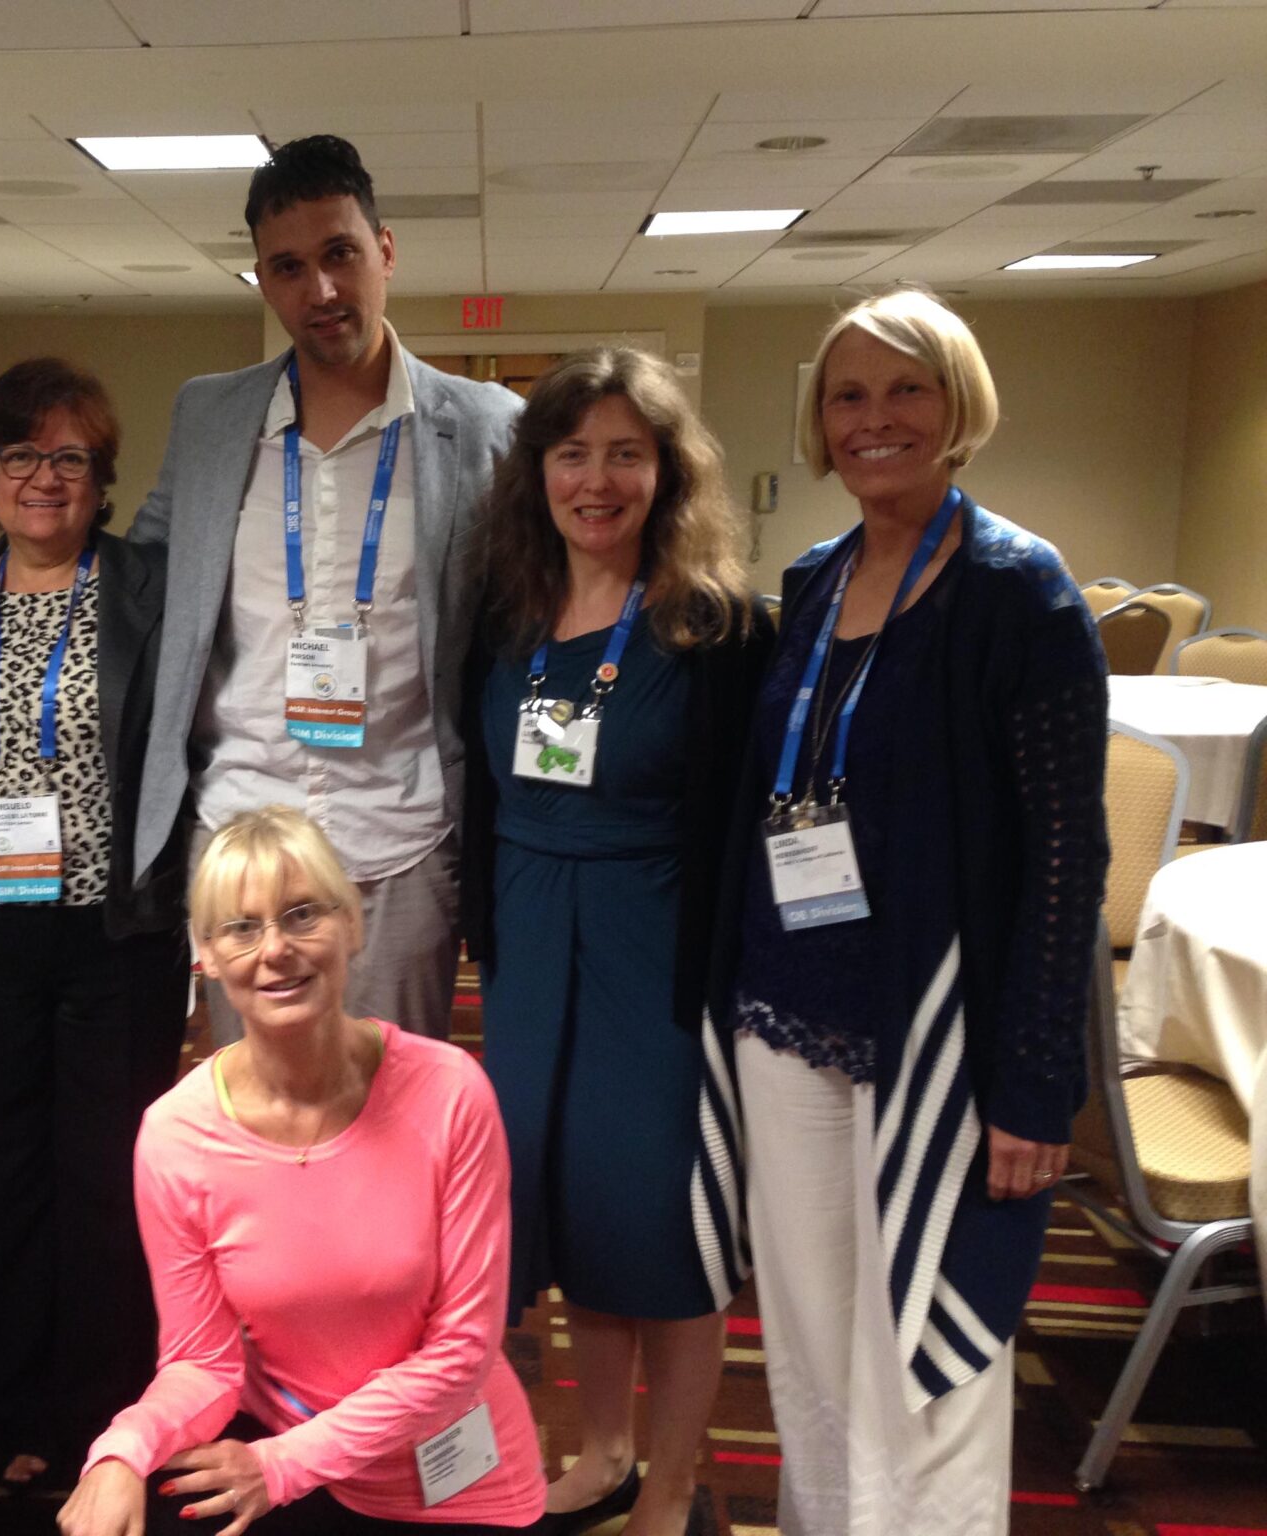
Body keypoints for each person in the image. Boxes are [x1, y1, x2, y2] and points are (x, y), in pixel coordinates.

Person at [717, 289, 1106, 1535]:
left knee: (925, 1351)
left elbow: (1066, 858)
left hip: (935, 1032)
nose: (873, 419)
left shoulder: (1018, 593)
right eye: (846, 395)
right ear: (816, 422)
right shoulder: (813, 580)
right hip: (789, 1012)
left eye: (904, 390)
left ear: (956, 407)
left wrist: (1036, 1088)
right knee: (812, 1342)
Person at [463, 348, 771, 1536]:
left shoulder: (718, 630)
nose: (596, 480)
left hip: (657, 962)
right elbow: (486, 801)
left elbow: (741, 822)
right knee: (567, 1210)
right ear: (536, 471)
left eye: (624, 454)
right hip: (531, 960)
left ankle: (679, 1479)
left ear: (665, 471)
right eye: (571, 453)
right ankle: (600, 1452)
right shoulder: (502, 621)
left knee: (664, 1229)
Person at [127, 134, 522, 1045]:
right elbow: (138, 580)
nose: (323, 291)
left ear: (384, 250)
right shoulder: (209, 416)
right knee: (260, 1120)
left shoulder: (486, 426)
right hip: (241, 833)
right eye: (289, 267)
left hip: (402, 839)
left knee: (395, 1115)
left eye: (340, 254)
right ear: (263, 280)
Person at [59, 806, 544, 1536]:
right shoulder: (176, 1135)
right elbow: (203, 1364)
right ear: (207, 957)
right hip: (283, 1448)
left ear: (352, 925)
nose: (276, 949)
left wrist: (285, 1465)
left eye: (302, 914)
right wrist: (120, 1453)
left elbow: (462, 1354)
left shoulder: (450, 1092)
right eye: (242, 928)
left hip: (449, 1471)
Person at [0, 358, 190, 1487]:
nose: (43, 477)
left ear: (100, 478)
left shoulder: (147, 589)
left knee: (107, 1172)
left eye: (68, 457)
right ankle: (13, 1400)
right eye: (20, 455)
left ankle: (106, 1407)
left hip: (111, 934)